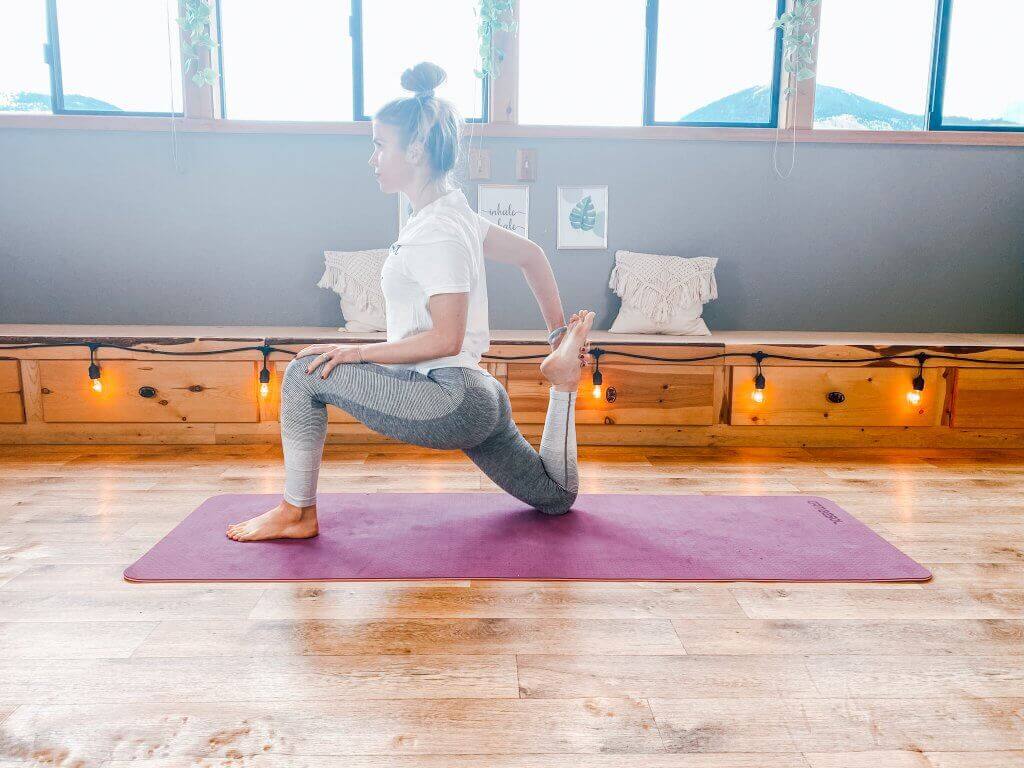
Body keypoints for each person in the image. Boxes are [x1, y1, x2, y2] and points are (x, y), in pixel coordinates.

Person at [227, 61, 595, 542]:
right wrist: (557, 336)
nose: (373, 158)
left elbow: (446, 337)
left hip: (448, 398)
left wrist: (357, 352)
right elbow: (532, 256)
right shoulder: (455, 214)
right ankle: (562, 384)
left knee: (302, 373)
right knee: (555, 497)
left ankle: (297, 513)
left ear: (416, 150)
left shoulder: (436, 230)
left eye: (380, 145)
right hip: (478, 396)